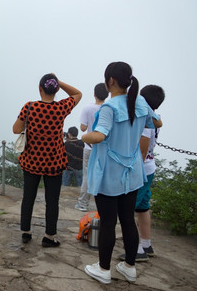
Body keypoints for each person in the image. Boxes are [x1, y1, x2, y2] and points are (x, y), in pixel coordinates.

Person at [82, 62, 162, 284]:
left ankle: (104, 269)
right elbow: (158, 122)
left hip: (110, 173)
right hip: (133, 172)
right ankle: (129, 267)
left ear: (110, 81)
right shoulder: (140, 102)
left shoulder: (109, 108)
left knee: (108, 222)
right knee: (127, 219)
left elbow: (99, 136)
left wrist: (84, 137)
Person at [12, 74, 82, 247]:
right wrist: (60, 82)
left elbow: (16, 129)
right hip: (54, 163)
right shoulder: (61, 108)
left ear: (40, 89)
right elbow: (78, 94)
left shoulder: (29, 107)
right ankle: (49, 237)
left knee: (28, 197)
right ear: (56, 90)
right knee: (52, 201)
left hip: (31, 162)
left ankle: (26, 232)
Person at [119, 85, 165, 262]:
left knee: (128, 209)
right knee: (142, 207)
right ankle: (146, 244)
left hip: (141, 170)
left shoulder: (146, 121)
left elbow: (142, 149)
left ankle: (137, 250)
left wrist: (133, 171)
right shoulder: (156, 118)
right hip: (150, 168)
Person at [75, 83, 108, 211]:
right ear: (107, 95)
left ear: (94, 94)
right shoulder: (109, 108)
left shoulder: (87, 108)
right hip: (104, 147)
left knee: (87, 175)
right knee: (104, 175)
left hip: (89, 147)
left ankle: (83, 204)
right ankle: (104, 205)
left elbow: (83, 127)